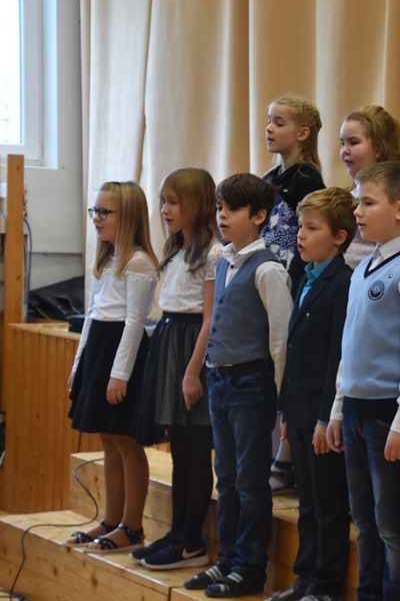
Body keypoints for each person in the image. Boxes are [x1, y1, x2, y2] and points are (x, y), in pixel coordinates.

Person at [326, 161, 400, 601]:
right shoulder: (361, 269)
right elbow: (350, 346)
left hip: (387, 416)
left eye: (368, 203)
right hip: (355, 410)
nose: (357, 211)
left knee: (392, 521)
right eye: (358, 202)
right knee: (364, 519)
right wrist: (338, 408)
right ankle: (368, 593)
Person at [184, 173, 293, 598]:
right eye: (220, 208)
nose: (222, 216)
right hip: (220, 380)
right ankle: (226, 559)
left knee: (250, 482)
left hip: (252, 384)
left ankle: (249, 568)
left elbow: (280, 340)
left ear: (259, 216)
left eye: (232, 209)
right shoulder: (224, 262)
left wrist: (282, 400)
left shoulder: (268, 269)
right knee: (226, 477)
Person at [130, 168, 221, 571]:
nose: (165, 210)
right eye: (163, 202)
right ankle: (177, 531)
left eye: (174, 202)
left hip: (190, 347)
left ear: (197, 204)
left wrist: (191, 371)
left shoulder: (213, 254)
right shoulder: (175, 250)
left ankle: (191, 543)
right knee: (180, 449)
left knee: (196, 449)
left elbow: (209, 319)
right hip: (169, 339)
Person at [268, 188, 356, 601]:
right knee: (307, 500)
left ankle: (326, 585)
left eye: (312, 228)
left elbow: (338, 355)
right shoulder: (304, 276)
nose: (300, 235)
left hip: (322, 413)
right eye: (301, 227)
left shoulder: (343, 284)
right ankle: (304, 577)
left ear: (339, 237)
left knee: (328, 503)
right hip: (298, 408)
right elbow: (294, 348)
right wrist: (286, 412)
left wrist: (325, 416)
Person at [65, 181, 158, 554]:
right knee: (107, 439)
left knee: (127, 442)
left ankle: (132, 526)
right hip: (99, 352)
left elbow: (135, 323)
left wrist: (120, 374)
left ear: (129, 216)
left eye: (105, 212)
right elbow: (92, 316)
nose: (97, 219)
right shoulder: (105, 261)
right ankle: (111, 518)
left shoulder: (139, 263)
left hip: (123, 354)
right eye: (95, 211)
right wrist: (78, 365)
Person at [263, 94, 326, 492]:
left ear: (302, 133)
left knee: (283, 365)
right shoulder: (270, 178)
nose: (269, 129)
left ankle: (285, 456)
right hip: (267, 279)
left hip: (291, 279)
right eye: (269, 121)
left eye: (279, 122)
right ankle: (274, 451)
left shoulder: (306, 180)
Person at [339, 105, 400, 269]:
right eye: (342, 143)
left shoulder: (395, 191)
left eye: (353, 142)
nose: (345, 150)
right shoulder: (348, 194)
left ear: (378, 148)